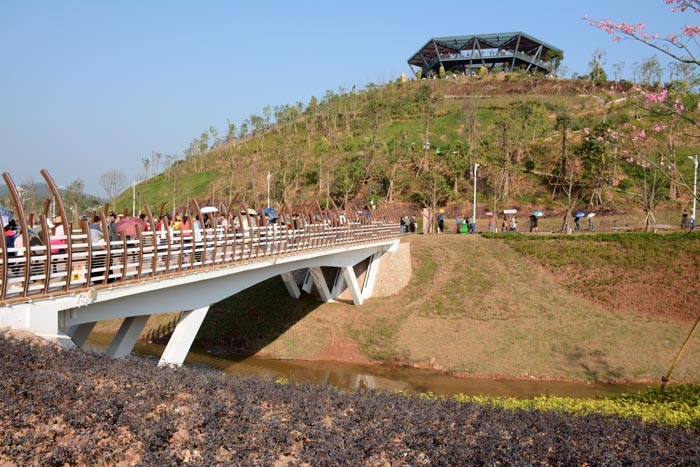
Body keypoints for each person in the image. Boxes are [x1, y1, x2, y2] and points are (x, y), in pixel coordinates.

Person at [88, 215, 106, 283]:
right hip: (96, 245)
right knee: (105, 250)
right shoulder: (97, 227)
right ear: (98, 221)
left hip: (90, 246)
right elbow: (103, 234)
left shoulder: (89, 227)